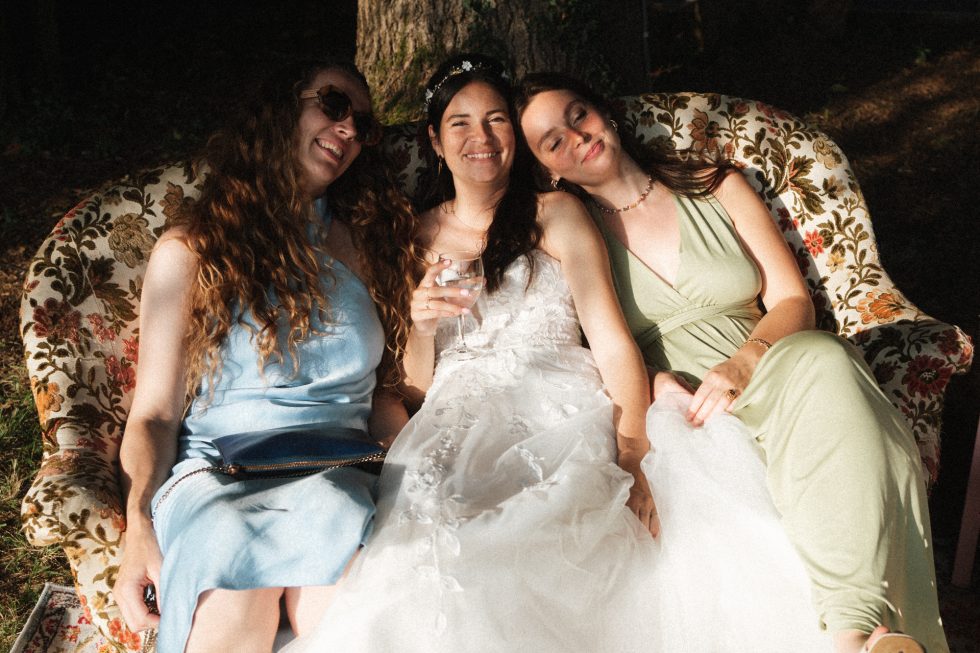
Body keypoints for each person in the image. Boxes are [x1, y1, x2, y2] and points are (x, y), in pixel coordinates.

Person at [285, 54, 836, 653]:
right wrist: (420, 326)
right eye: (460, 123)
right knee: (435, 553)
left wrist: (634, 452)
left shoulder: (555, 214)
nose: (481, 138)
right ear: (434, 142)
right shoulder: (410, 237)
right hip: (454, 418)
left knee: (550, 534)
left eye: (496, 120)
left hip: (560, 403)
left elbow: (610, 339)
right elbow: (413, 390)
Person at [516, 72, 947, 653]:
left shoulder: (716, 186)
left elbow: (794, 301)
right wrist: (656, 382)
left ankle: (854, 631)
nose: (576, 136)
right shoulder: (567, 231)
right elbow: (577, 344)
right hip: (679, 405)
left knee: (824, 360)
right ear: (549, 169)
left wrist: (747, 362)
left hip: (773, 365)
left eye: (577, 115)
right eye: (552, 141)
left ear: (604, 113)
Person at [114, 58, 418, 652]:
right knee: (234, 589)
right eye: (332, 106)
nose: (350, 130)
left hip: (340, 473)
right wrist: (138, 524)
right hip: (222, 475)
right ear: (281, 109)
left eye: (363, 123)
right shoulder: (193, 251)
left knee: (350, 615)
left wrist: (408, 474)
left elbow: (383, 395)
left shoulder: (367, 243)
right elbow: (153, 416)